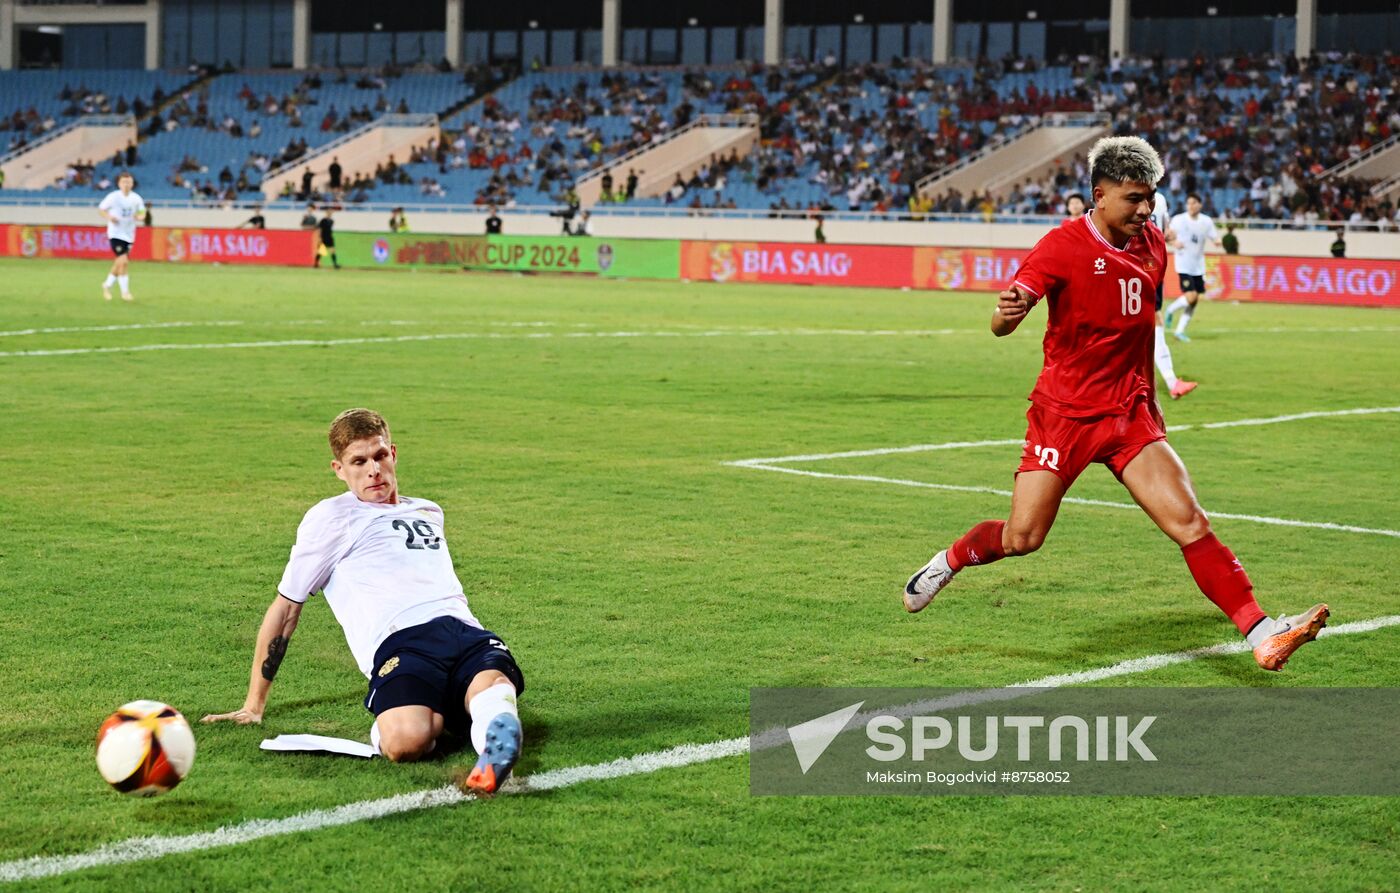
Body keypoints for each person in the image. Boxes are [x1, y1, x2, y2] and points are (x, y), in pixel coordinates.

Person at [902, 136, 1327, 673]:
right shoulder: (1060, 246)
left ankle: (1262, 632)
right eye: (1133, 198)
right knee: (1023, 537)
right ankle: (950, 560)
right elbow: (1001, 323)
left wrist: (1149, 400)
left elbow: (1141, 329)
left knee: (1189, 522)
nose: (1146, 209)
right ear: (1098, 195)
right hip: (1065, 416)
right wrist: (1006, 313)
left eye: (1150, 197)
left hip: (1129, 415)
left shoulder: (1152, 244)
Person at [202, 409, 525, 794]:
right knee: (407, 743)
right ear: (339, 469)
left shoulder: (428, 510)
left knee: (492, 684)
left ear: (393, 453)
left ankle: (494, 745)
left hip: (464, 631)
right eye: (359, 462)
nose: (373, 470)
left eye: (379, 456)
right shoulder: (332, 518)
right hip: (401, 643)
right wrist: (254, 704)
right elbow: (287, 607)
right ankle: (448, 718)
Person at [1150, 192, 1196, 399]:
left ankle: (1170, 380)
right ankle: (1171, 381)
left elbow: (1164, 230)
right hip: (1143, 264)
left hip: (1150, 264)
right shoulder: (1155, 197)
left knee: (1151, 320)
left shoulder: (1155, 198)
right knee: (1149, 321)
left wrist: (1170, 238)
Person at [1163, 193, 1221, 343]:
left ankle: (1179, 331)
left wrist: (1217, 241)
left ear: (1200, 205)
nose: (1191, 206)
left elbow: (1214, 236)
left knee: (1194, 301)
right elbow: (1166, 235)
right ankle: (1170, 310)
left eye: (1194, 203)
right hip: (1183, 264)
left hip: (1198, 266)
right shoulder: (1179, 220)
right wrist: (1173, 242)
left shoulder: (1206, 221)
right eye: (1189, 203)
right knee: (1191, 296)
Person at [97, 171, 144, 302]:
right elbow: (101, 209)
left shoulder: (136, 198)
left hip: (129, 234)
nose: (126, 184)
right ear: (119, 183)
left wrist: (139, 216)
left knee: (120, 263)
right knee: (123, 261)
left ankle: (107, 285)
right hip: (115, 233)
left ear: (132, 183)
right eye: (124, 182)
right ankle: (125, 292)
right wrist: (109, 217)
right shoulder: (113, 197)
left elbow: (142, 213)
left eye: (129, 182)